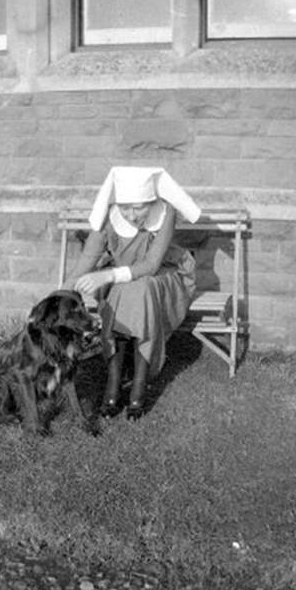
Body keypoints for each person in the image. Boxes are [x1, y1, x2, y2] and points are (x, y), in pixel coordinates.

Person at [64, 166, 201, 421]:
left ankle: (136, 384)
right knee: (127, 291)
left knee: (142, 288)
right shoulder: (108, 217)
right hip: (123, 281)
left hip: (163, 276)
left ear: (152, 200)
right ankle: (117, 384)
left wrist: (106, 276)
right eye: (125, 207)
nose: (131, 215)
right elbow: (86, 262)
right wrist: (57, 296)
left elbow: (150, 265)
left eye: (139, 207)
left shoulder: (165, 213)